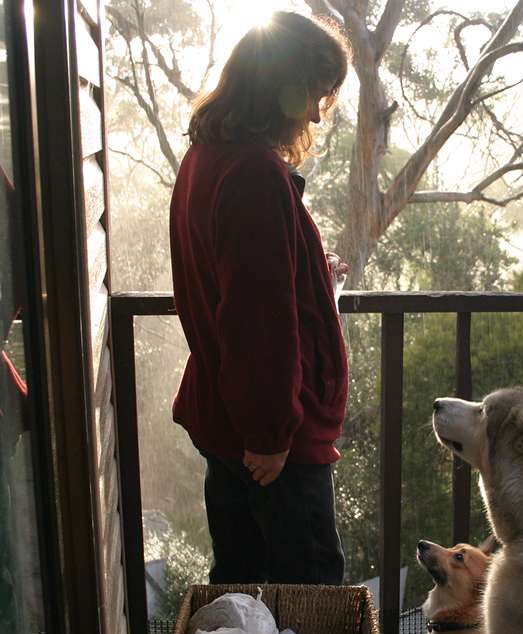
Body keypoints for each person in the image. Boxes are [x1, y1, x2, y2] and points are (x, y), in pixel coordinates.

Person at [169, 12, 351, 585]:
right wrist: (270, 436)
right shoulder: (253, 175)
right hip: (271, 444)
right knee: (312, 600)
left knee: (243, 589)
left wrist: (312, 273)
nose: (317, 113)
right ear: (284, 86)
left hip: (228, 419)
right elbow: (258, 326)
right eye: (317, 93)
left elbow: (245, 280)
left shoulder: (206, 157)